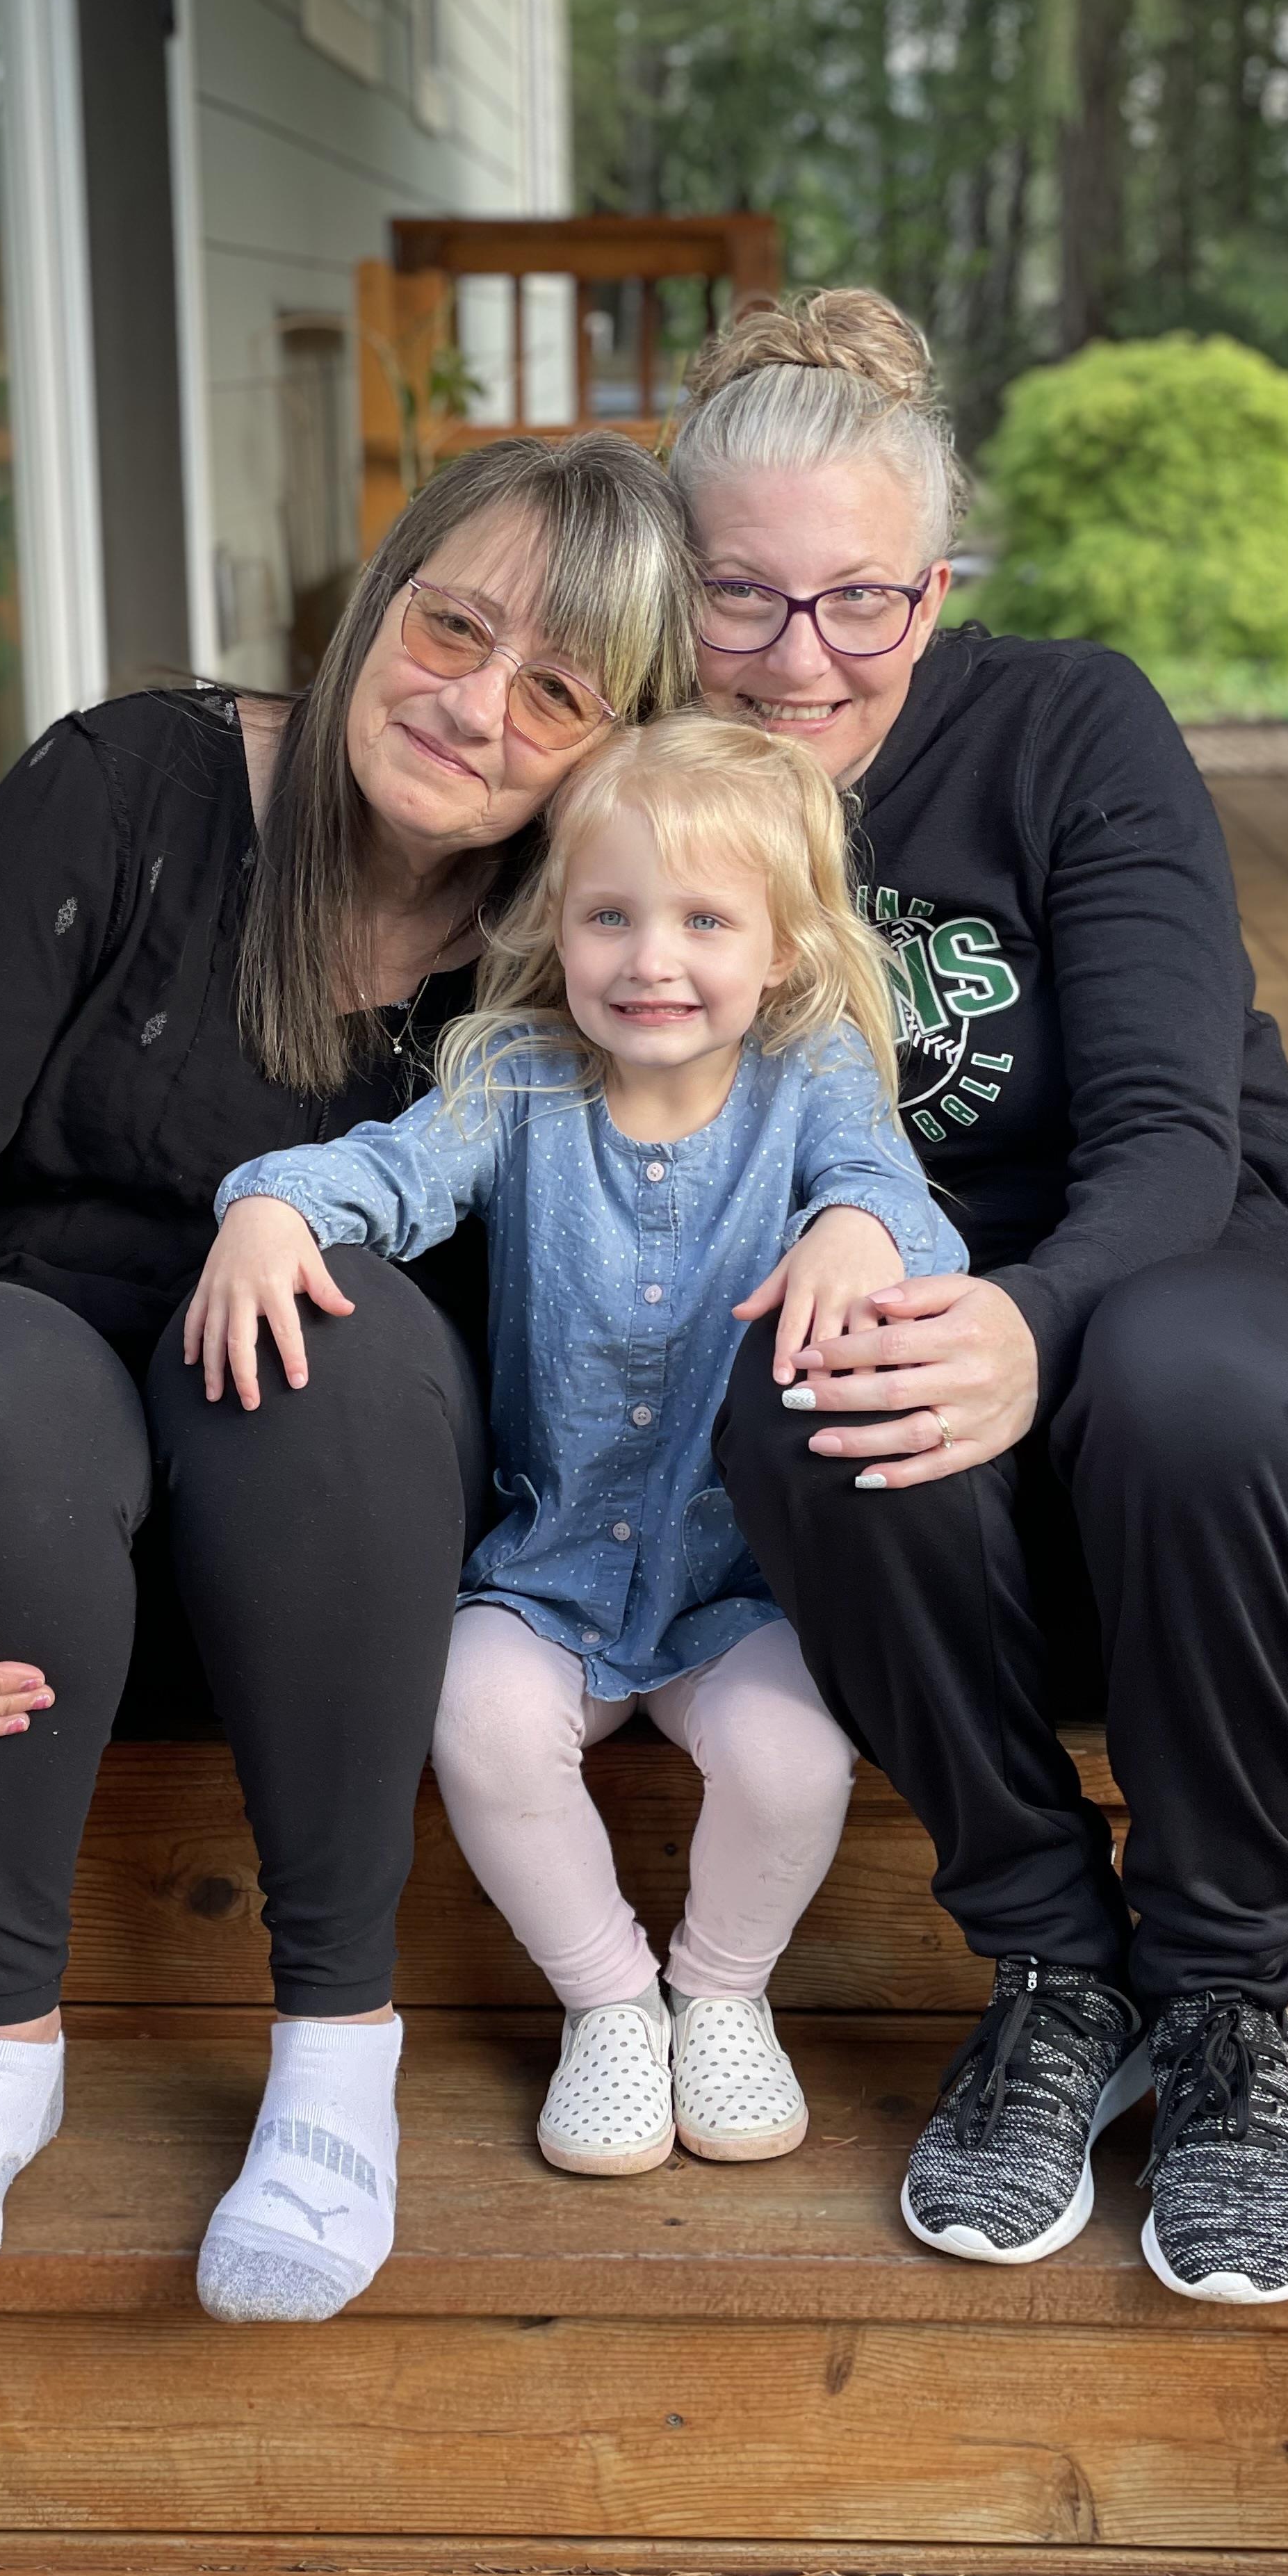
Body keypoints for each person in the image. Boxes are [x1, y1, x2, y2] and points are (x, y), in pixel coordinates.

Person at [0, 434, 703, 2341]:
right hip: (12, 1561)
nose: (473, 704)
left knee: (332, 1325)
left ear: (613, 747)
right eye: (450, 626)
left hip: (336, 1593)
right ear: (375, 603)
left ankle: (335, 2051)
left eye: (556, 691)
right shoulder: (129, 791)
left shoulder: (604, 940)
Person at [674, 290, 1288, 2305]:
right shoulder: (656, 798)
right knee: (806, 1368)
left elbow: (1170, 1146)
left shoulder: (1067, 728)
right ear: (675, 588)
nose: (802, 660)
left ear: (935, 587)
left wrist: (1025, 1315)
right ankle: (1062, 1970)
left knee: (1171, 1350)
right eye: (742, 599)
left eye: (860, 601)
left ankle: (1226, 2003)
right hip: (989, 1553)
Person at [189, 714, 962, 2247]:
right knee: (475, 1721)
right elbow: (389, 1174)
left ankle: (720, 1993)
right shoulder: (520, 1081)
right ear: (558, 926)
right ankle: (609, 2000)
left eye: (705, 922)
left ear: (783, 948)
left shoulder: (809, 1079)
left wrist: (859, 1230)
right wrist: (273, 1207)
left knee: (796, 1757)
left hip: (738, 1581)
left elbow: (893, 1193)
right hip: (549, 1570)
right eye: (611, 915)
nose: (650, 959)